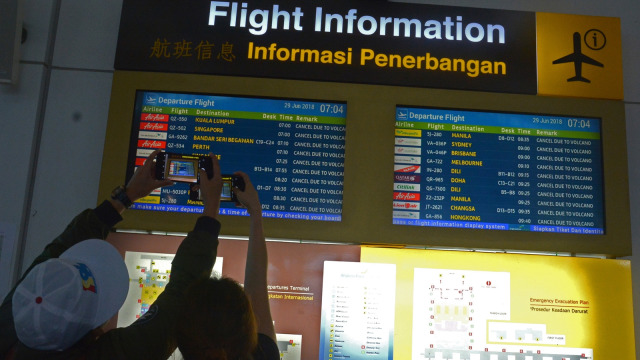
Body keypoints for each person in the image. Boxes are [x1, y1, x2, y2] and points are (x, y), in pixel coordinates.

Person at [0, 149, 223, 359]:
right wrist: (212, 206)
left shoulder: (15, 317)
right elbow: (180, 300)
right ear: (93, 329)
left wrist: (126, 196)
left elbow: (59, 248)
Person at [175, 171, 279, 360]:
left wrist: (212, 207)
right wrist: (255, 211)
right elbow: (256, 292)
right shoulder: (263, 355)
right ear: (250, 333)